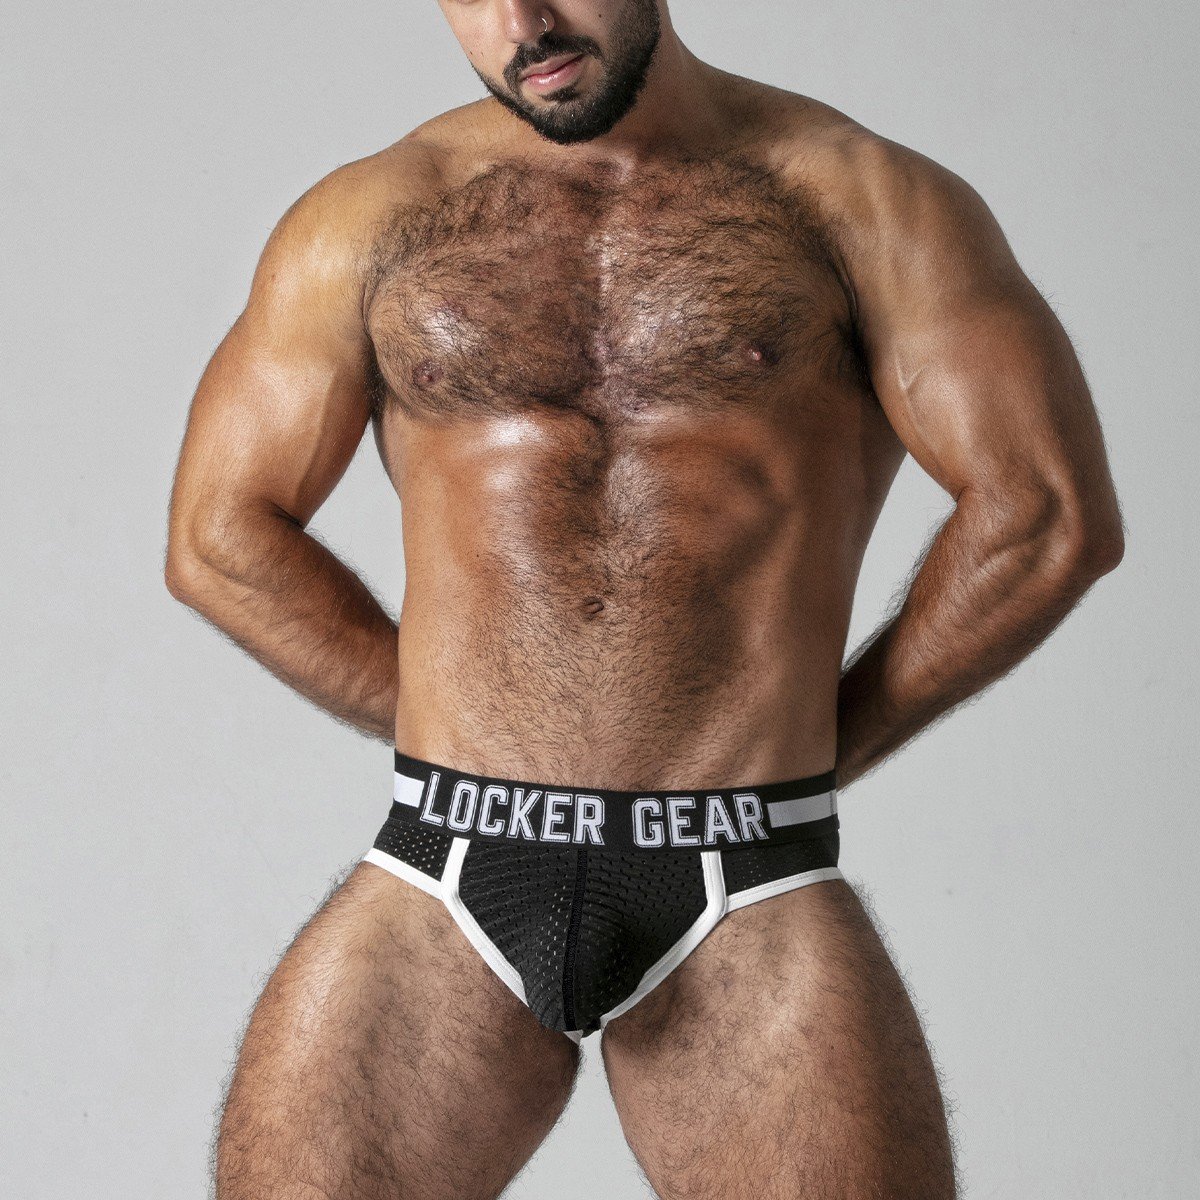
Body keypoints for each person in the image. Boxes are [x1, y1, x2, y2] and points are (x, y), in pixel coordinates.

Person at [164, 2, 1125, 1196]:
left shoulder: (861, 197)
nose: (523, 21)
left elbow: (1044, 514)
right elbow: (219, 536)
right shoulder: (372, 216)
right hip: (446, 870)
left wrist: (825, 744)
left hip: (745, 876)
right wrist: (442, 717)